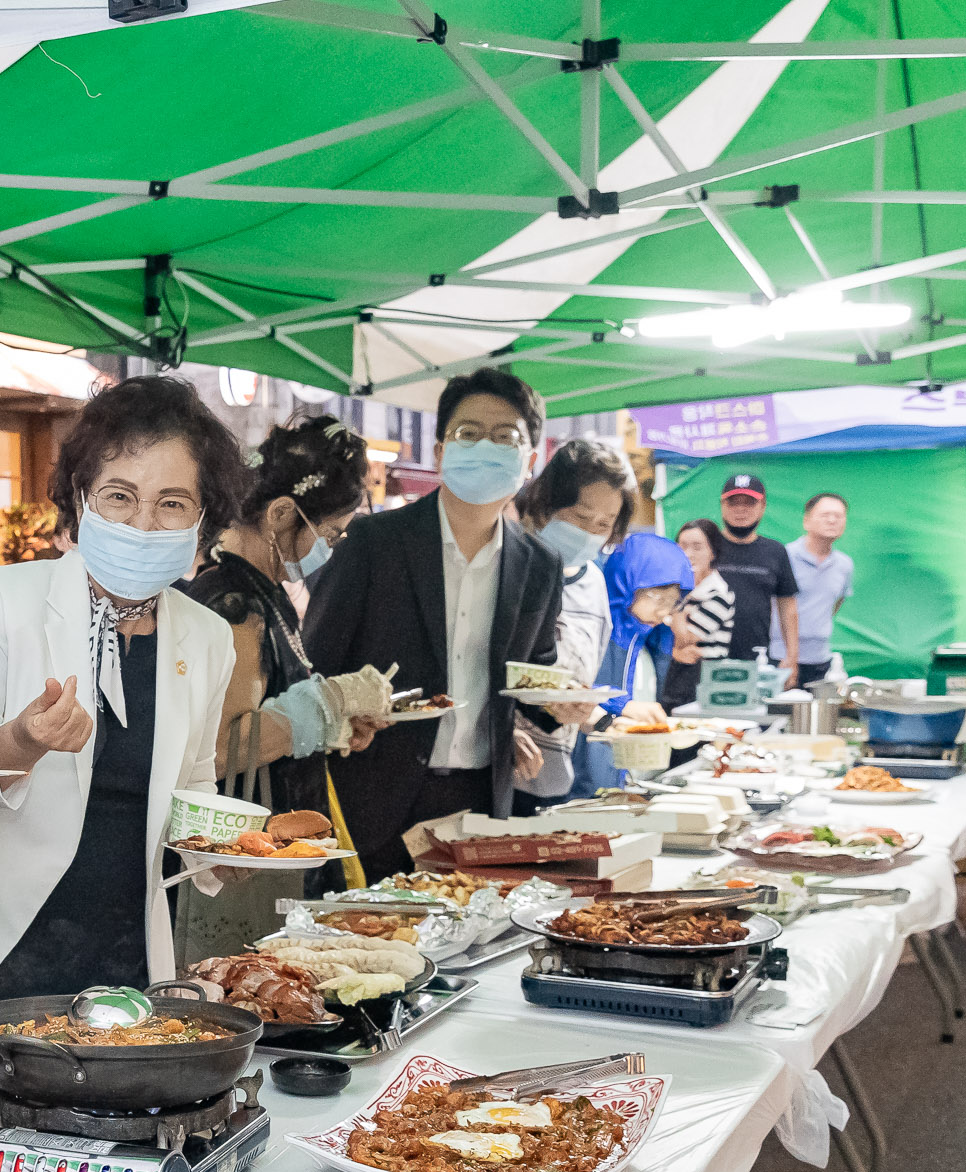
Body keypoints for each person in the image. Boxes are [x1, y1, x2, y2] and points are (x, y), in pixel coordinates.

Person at [0, 378, 378, 1086]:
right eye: (120, 495)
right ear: (81, 499)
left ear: (201, 520)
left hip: (122, 968)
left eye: (171, 503)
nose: (143, 522)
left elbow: (193, 785)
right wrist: (23, 737)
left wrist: (221, 854)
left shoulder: (204, 637)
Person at [304, 367, 587, 876]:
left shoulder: (539, 564)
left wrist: (561, 703)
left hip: (481, 799)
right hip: (371, 797)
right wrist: (345, 714)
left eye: (506, 436)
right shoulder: (374, 544)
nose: (485, 446)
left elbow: (532, 675)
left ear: (531, 458)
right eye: (468, 433)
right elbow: (314, 664)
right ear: (439, 451)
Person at [182, 410, 370, 816]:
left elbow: (269, 702)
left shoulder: (265, 591)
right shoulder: (234, 603)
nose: (331, 549)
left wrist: (333, 725)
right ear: (282, 514)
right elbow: (220, 749)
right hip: (245, 846)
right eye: (331, 535)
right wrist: (330, 700)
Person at [511, 438, 638, 803]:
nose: (590, 532)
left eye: (604, 524)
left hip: (555, 780)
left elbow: (574, 684)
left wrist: (603, 718)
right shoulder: (509, 564)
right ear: (545, 504)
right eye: (581, 517)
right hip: (495, 775)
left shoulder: (594, 582)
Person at [709, 472, 801, 672]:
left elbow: (787, 607)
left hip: (755, 658)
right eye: (733, 502)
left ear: (763, 507)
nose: (740, 509)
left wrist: (791, 657)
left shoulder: (775, 551)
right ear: (722, 506)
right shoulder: (706, 545)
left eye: (749, 503)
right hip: (704, 656)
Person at [600, 532, 693, 711]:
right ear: (625, 585)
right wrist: (621, 708)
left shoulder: (652, 643)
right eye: (659, 599)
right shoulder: (596, 640)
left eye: (673, 602)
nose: (665, 612)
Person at [782, 491, 855, 686]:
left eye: (838, 516)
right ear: (806, 521)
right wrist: (788, 656)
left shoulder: (844, 565)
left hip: (820, 658)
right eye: (825, 515)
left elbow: (835, 603)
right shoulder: (785, 556)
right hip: (781, 656)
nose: (832, 520)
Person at [666, 518, 739, 709]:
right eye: (682, 546)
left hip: (703, 684)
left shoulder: (719, 594)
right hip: (671, 678)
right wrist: (674, 652)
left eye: (697, 547)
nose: (688, 554)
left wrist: (674, 609)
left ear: (713, 552)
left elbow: (685, 639)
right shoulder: (673, 587)